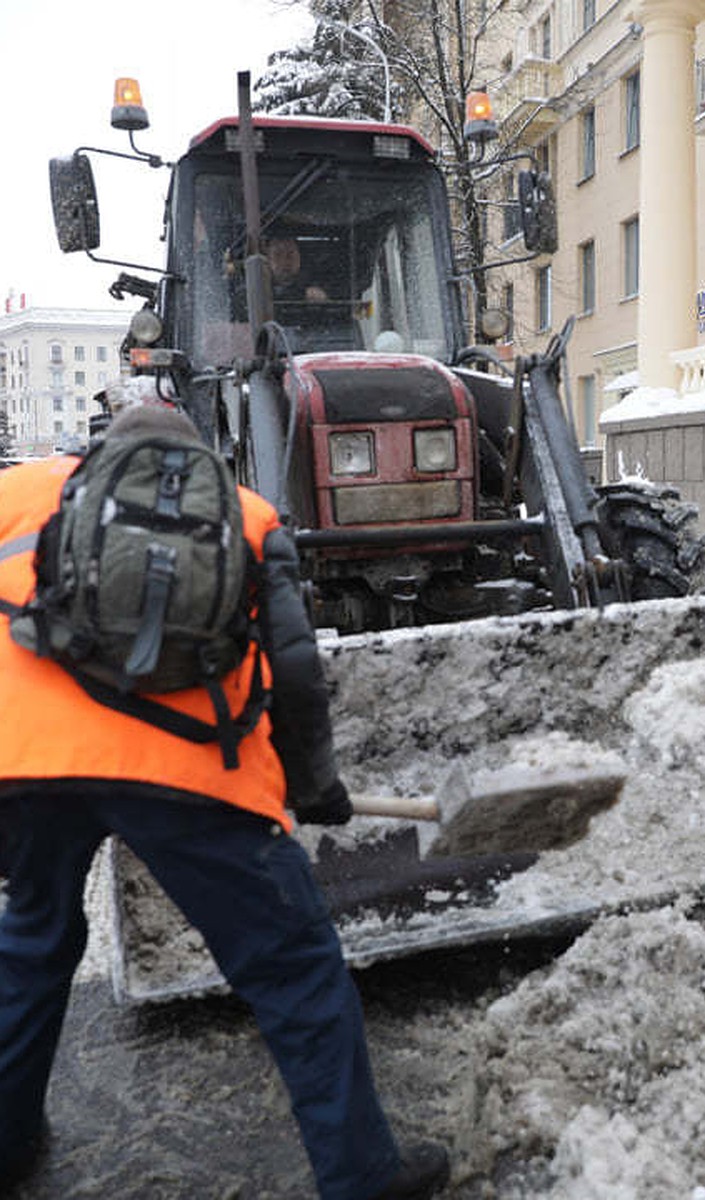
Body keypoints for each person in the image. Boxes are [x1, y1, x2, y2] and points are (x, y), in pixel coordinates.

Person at [0, 401, 449, 1200]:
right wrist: (315, 789)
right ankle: (363, 1175)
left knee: (33, 940)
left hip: (28, 766)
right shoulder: (245, 511)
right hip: (191, 774)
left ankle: (4, 1142)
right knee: (294, 968)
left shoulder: (20, 492)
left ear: (103, 453)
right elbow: (298, 670)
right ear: (194, 461)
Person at [265, 235, 330, 302]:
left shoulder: (318, 282)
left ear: (299, 258)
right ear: (268, 259)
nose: (284, 261)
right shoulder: (259, 287)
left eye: (290, 255)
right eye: (277, 255)